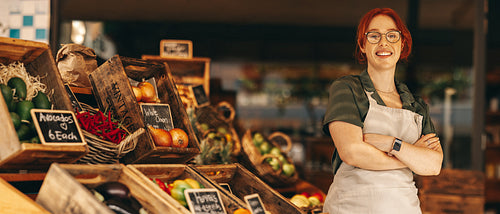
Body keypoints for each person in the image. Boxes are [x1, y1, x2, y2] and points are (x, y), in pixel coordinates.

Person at [322, 8, 443, 214]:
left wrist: (390, 143)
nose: (383, 43)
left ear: (402, 44)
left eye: (392, 35)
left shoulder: (416, 105)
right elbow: (352, 152)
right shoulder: (348, 89)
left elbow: (432, 165)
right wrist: (408, 157)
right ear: (363, 45)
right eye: (374, 36)